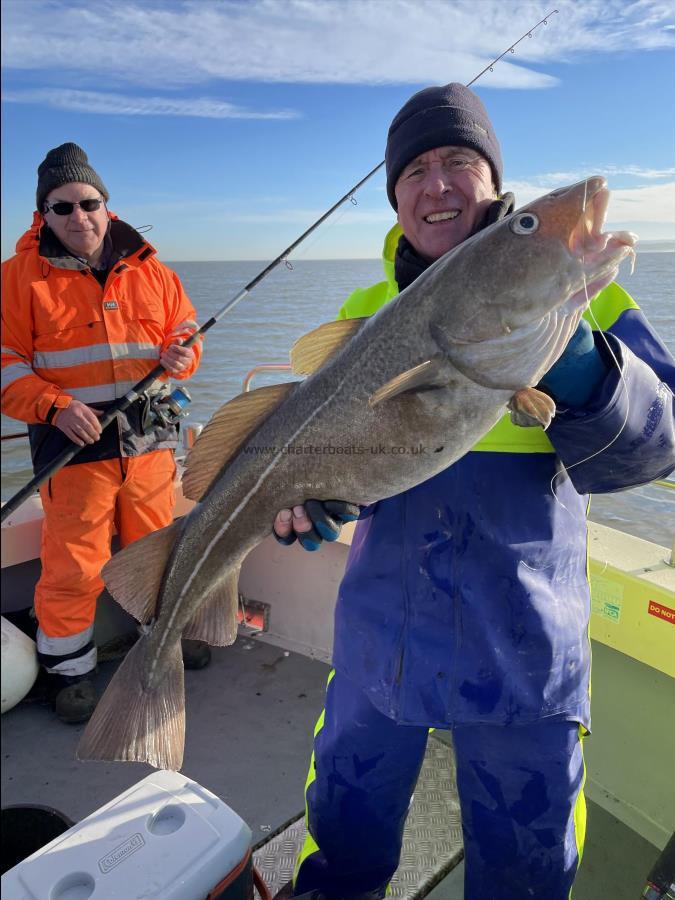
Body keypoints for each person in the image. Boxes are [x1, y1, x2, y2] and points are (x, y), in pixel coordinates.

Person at [270, 85, 675, 899]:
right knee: (341, 844)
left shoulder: (590, 297)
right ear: (394, 196)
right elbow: (360, 476)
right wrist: (321, 502)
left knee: (524, 869)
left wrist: (585, 370)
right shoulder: (364, 313)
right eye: (414, 169)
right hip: (378, 640)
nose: (437, 183)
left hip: (524, 649)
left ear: (494, 180)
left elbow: (656, 447)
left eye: (460, 159)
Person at [1, 143, 209, 725]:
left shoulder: (155, 272)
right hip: (72, 452)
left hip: (148, 448)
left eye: (88, 203)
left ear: (107, 205)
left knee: (157, 550)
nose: (78, 217)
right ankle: (70, 672)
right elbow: (5, 363)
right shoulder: (15, 280)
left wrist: (181, 357)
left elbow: (190, 336)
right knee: (74, 566)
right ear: (42, 213)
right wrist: (53, 404)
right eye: (61, 207)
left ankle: (162, 639)